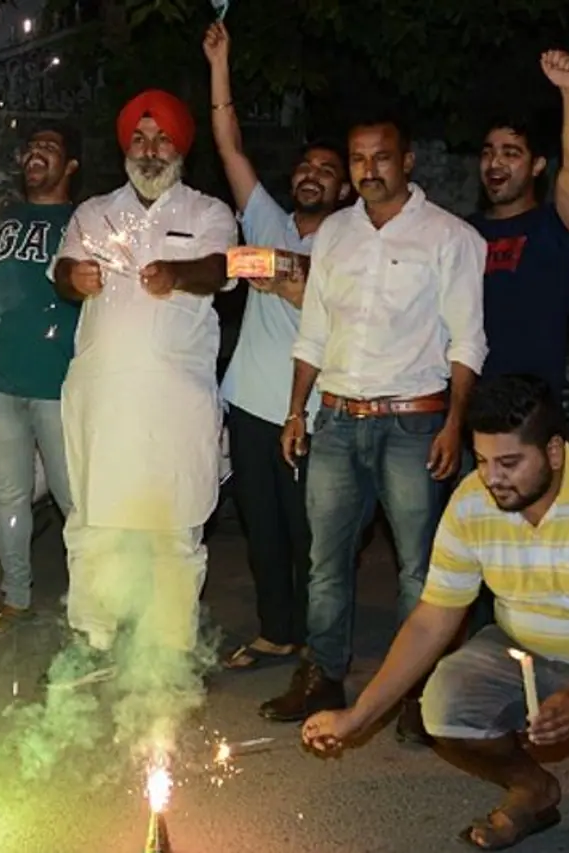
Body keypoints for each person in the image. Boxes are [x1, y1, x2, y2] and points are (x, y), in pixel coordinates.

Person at [303, 375, 569, 853]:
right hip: (521, 648)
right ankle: (533, 789)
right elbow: (432, 618)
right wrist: (359, 716)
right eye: (483, 460)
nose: (491, 478)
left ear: (553, 451)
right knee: (442, 706)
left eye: (509, 462)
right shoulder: (472, 501)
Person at [260, 114, 487, 743]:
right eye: (358, 158)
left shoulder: (450, 237)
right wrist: (296, 410)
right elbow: (314, 332)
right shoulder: (334, 234)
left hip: (414, 423)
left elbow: (468, 340)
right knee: (326, 558)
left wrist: (454, 426)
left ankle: (416, 691)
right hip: (335, 418)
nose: (368, 169)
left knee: (420, 567)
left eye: (381, 157)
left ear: (407, 161)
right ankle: (325, 672)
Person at [52, 88, 236, 662]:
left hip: (174, 403)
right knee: (94, 525)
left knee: (173, 529)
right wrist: (73, 277)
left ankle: (169, 650)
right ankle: (92, 641)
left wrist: (177, 273)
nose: (150, 148)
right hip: (104, 399)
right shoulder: (94, 212)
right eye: (139, 137)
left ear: (180, 147)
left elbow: (219, 269)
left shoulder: (207, 212)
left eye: (160, 138)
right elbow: (61, 272)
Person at [204, 22, 351, 671]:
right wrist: (220, 61)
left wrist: (269, 268)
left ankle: (321, 643)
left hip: (313, 413)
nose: (312, 175)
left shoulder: (350, 241)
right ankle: (276, 631)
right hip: (249, 405)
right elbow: (228, 142)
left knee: (310, 536)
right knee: (261, 532)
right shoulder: (266, 218)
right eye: (307, 166)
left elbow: (311, 291)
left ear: (344, 189)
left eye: (327, 170)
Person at [0, 123, 81, 639]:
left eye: (50, 147)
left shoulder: (85, 222)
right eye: (32, 147)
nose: (37, 153)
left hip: (57, 384)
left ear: (71, 166)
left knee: (71, 498)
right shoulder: (3, 220)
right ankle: (16, 598)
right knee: (9, 492)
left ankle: (88, 604)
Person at [473, 50, 569, 398]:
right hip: (468, 407)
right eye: (487, 151)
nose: (495, 162)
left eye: (511, 153)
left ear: (538, 165)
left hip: (532, 410)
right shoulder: (461, 233)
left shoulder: (556, 227)